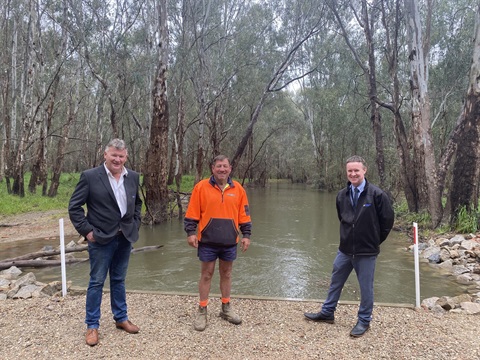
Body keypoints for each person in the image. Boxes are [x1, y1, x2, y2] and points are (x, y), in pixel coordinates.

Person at [304, 155, 394, 337]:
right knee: (335, 281)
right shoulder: (341, 195)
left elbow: (387, 222)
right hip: (344, 250)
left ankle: (364, 320)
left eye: (356, 170)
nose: (353, 174)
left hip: (366, 252)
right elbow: (344, 219)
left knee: (366, 288)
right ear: (346, 172)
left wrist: (374, 241)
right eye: (350, 171)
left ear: (364, 171)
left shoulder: (377, 195)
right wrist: (348, 238)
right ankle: (327, 312)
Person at [68, 139, 142, 346]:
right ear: (105, 155)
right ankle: (92, 326)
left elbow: (137, 204)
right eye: (114, 155)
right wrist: (87, 231)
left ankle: (121, 318)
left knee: (118, 279)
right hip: (100, 238)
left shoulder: (133, 177)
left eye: (121, 156)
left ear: (126, 157)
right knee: (97, 282)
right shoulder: (90, 177)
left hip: (125, 237)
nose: (117, 159)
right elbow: (74, 207)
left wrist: (135, 224)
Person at [184, 155, 252, 331]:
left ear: (230, 169)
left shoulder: (238, 189)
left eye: (225, 166)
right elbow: (192, 212)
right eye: (219, 166)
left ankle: (226, 307)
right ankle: (202, 309)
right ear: (212, 168)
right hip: (207, 240)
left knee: (227, 273)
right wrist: (191, 232)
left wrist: (246, 235)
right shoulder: (201, 188)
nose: (222, 169)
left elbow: (244, 214)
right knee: (206, 274)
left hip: (229, 241)